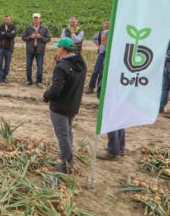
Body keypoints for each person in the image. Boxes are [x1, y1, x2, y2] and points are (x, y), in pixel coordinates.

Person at [43, 38, 86, 173]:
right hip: (72, 104)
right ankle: (65, 155)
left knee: (62, 135)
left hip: (60, 107)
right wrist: (60, 62)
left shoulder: (61, 67)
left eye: (58, 47)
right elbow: (71, 74)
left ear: (62, 49)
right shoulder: (81, 64)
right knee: (67, 131)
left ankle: (67, 165)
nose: (57, 49)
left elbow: (56, 89)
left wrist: (46, 95)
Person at [22, 13, 51, 88]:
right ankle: (29, 80)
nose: (36, 20)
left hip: (40, 50)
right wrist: (30, 37)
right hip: (30, 50)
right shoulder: (28, 27)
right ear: (32, 19)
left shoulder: (45, 28)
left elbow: (48, 39)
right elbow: (23, 38)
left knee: (40, 67)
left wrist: (40, 37)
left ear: (40, 19)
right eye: (34, 18)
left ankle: (39, 82)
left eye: (37, 18)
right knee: (28, 66)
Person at [87, 21, 109, 94]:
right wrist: (98, 44)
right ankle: (91, 87)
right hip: (101, 54)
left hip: (108, 55)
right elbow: (93, 38)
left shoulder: (111, 33)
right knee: (96, 71)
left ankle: (99, 88)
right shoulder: (100, 33)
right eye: (105, 26)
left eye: (107, 26)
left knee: (103, 72)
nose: (106, 28)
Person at [0, 14, 17, 83]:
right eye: (5, 19)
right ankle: (0, 77)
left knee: (7, 64)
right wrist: (7, 34)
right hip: (1, 48)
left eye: (8, 19)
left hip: (9, 48)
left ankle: (4, 77)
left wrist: (4, 34)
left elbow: (12, 36)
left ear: (10, 20)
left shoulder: (13, 27)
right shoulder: (0, 26)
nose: (6, 21)